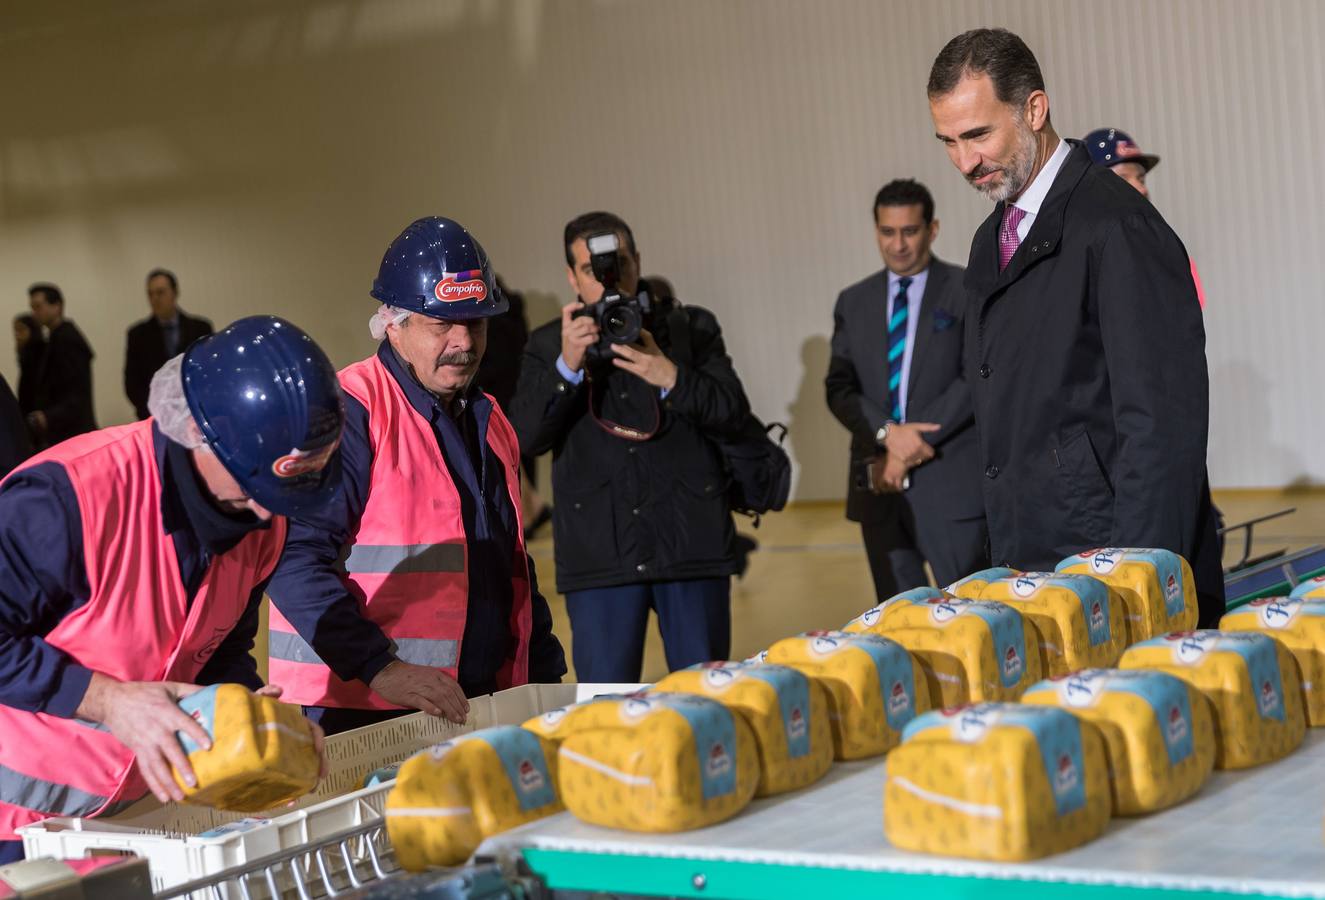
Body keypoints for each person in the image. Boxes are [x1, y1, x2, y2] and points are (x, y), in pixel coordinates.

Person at [0, 316, 343, 863]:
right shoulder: (66, 499)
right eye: (254, 488)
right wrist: (108, 701)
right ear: (198, 435)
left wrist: (250, 720)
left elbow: (219, 646)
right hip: (15, 828)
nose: (268, 509)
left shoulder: (265, 521)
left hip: (125, 825)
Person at [926, 28, 1220, 625]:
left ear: (1034, 108)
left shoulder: (1117, 227)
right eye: (948, 142)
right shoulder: (992, 239)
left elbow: (1160, 429)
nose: (964, 162)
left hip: (1107, 573)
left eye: (978, 135)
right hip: (1030, 568)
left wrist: (1136, 588)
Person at [266, 217, 566, 736]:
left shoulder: (489, 418)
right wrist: (381, 667)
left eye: (476, 322)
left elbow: (510, 566)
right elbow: (292, 561)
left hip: (472, 703)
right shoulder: (349, 413)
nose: (463, 342)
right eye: (441, 325)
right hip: (359, 712)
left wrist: (543, 676)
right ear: (394, 324)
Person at [510, 211, 752, 683]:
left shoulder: (690, 329)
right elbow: (525, 440)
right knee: (605, 705)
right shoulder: (547, 344)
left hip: (691, 548)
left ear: (637, 261)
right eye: (591, 270)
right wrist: (567, 366)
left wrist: (672, 377)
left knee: (707, 699)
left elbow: (732, 412)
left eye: (617, 264)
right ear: (571, 277)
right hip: (601, 558)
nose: (608, 280)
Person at [826, 179, 987, 597]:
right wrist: (888, 435)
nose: (898, 244)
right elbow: (839, 388)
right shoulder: (853, 302)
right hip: (882, 489)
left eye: (909, 231)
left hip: (950, 485)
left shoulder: (968, 290)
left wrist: (910, 442)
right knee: (898, 623)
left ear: (932, 229)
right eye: (887, 232)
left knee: (971, 614)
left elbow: (977, 377)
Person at [124, 268, 215, 420]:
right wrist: (157, 410)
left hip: (196, 414)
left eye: (160, 292)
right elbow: (132, 384)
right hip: (155, 417)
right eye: (150, 294)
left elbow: (209, 372)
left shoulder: (201, 328)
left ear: (175, 292)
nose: (155, 299)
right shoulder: (137, 335)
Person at [26, 284, 96, 448]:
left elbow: (76, 391)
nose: (34, 313)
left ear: (57, 306)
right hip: (63, 427)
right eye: (32, 308)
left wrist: (49, 417)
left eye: (38, 306)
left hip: (72, 430)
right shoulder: (55, 339)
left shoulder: (67, 340)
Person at [12, 314, 44, 419]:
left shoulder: (39, 352)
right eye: (16, 331)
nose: (17, 335)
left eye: (21, 330)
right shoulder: (25, 354)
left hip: (38, 410)